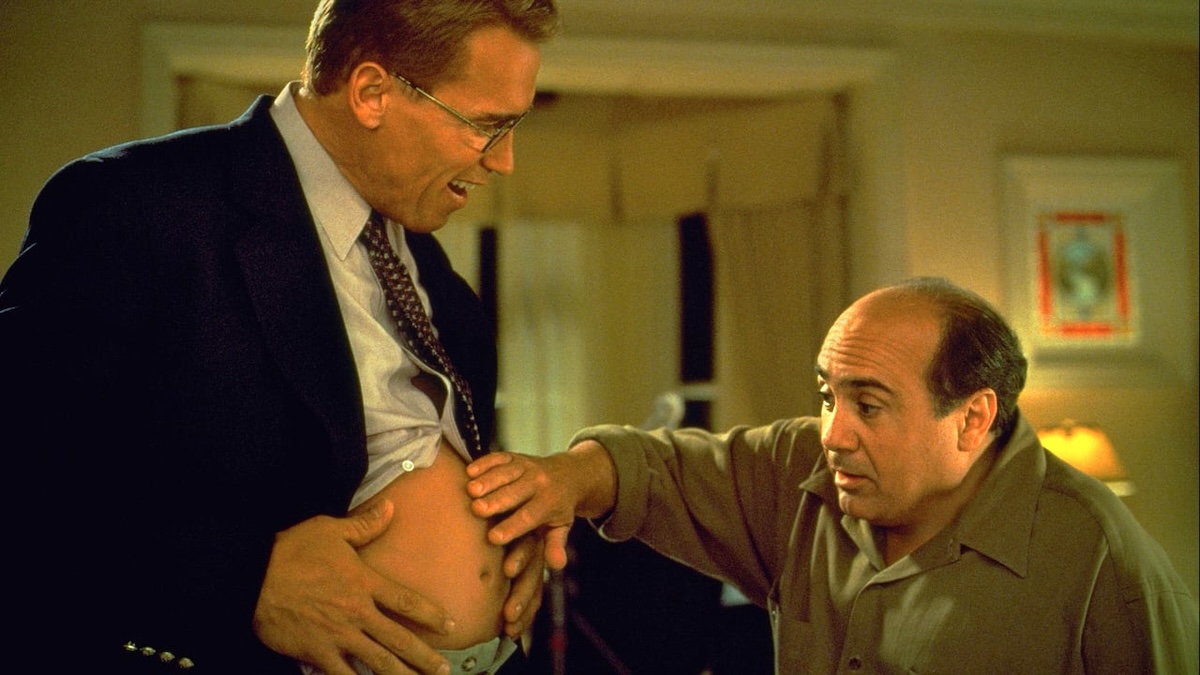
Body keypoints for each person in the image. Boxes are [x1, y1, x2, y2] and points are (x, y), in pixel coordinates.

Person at [2, 1, 560, 674]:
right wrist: (242, 579)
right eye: (487, 125)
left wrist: (502, 533)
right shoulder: (132, 205)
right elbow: (24, 477)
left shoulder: (438, 277)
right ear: (372, 93)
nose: (505, 161)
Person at [466, 276, 1200, 674]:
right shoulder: (799, 471)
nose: (833, 433)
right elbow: (655, 468)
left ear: (972, 418)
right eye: (827, 396)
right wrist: (563, 478)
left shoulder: (1100, 561)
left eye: (868, 405)